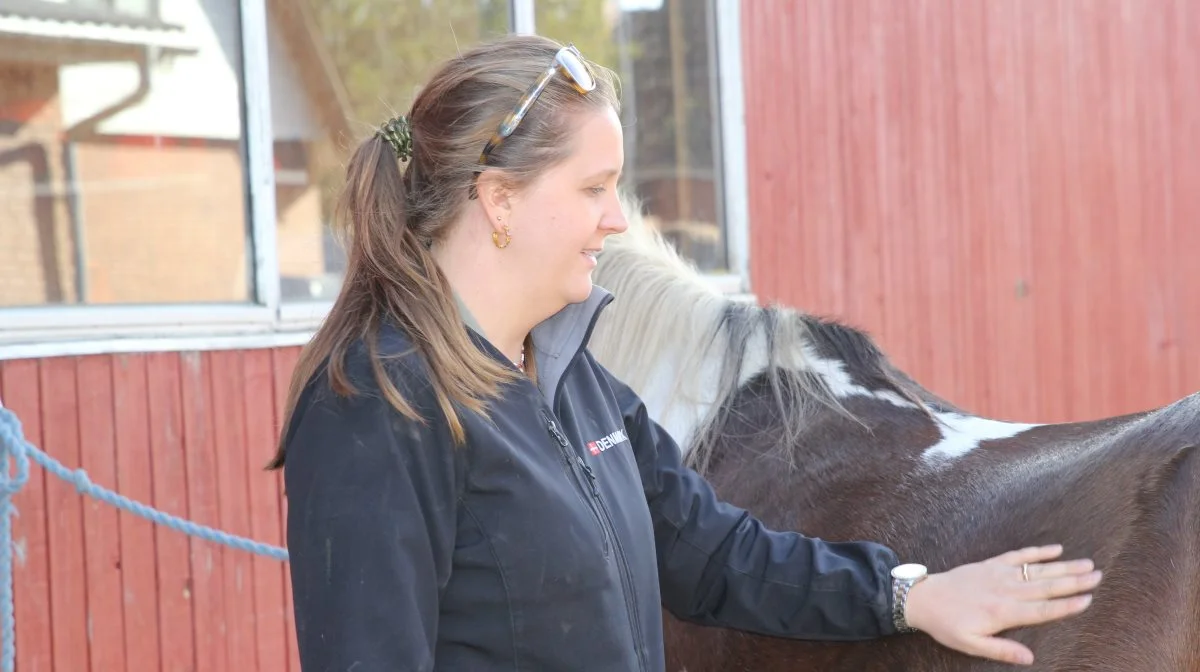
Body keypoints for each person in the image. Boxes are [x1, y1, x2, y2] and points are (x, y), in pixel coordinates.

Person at [268, 35, 1101, 671]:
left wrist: (910, 594)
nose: (617, 220)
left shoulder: (571, 379)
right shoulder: (382, 406)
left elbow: (715, 556)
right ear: (499, 201)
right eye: (593, 189)